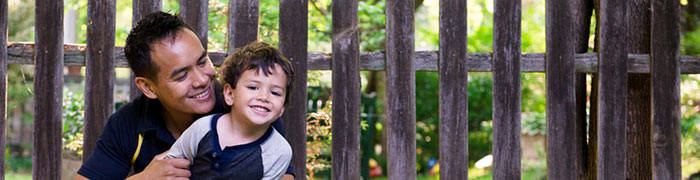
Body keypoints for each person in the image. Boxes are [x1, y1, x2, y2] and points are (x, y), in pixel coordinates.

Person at [75, 12, 295, 180]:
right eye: (181, 76)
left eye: (202, 62)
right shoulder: (129, 121)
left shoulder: (247, 105)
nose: (201, 80)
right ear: (148, 87)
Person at [165, 41, 294, 179]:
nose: (263, 97)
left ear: (282, 108)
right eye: (253, 87)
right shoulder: (202, 129)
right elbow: (170, 166)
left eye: (275, 93)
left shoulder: (278, 152)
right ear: (230, 94)